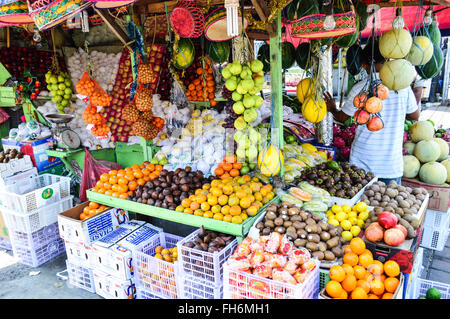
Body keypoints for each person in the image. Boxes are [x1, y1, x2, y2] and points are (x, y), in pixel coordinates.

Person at [323, 38, 420, 185]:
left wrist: (332, 109)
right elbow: (414, 115)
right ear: (386, 59)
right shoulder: (402, 87)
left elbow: (343, 118)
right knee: (389, 206)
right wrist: (396, 111)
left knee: (360, 206)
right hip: (391, 165)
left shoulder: (360, 88)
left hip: (363, 163)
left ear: (364, 65)